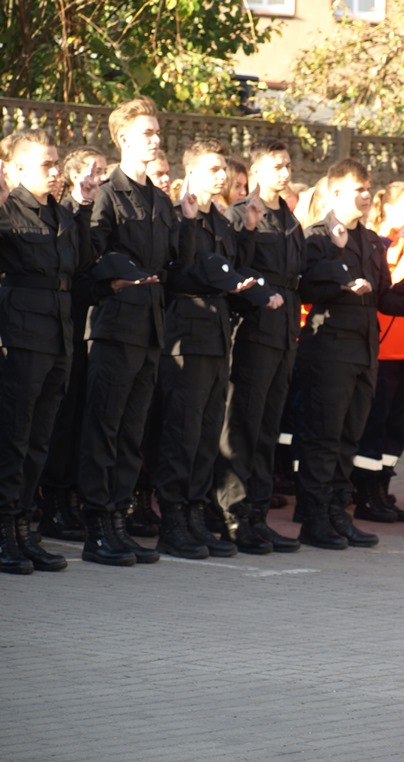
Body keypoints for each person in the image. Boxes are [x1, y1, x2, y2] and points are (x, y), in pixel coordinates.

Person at [294, 159, 404, 549]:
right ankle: (314, 518)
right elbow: (304, 287)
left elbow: (384, 297)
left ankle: (336, 514)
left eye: (367, 188)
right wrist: (339, 275)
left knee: (349, 438)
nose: (365, 195)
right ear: (335, 193)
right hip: (328, 350)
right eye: (357, 189)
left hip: (363, 351)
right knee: (323, 437)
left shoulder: (372, 241)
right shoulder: (316, 237)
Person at [79, 96, 194, 567]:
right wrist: (113, 278)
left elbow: (173, 264)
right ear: (123, 138)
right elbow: (90, 257)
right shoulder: (109, 193)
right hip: (115, 325)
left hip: (150, 328)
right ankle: (96, 527)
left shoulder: (159, 199)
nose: (156, 139)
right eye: (147, 133)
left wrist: (190, 222)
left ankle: (118, 521)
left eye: (157, 132)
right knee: (104, 428)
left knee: (131, 431)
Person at [153, 139, 267, 559]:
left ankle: (196, 515)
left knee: (205, 435)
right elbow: (176, 271)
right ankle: (173, 520)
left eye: (223, 169)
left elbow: (233, 270)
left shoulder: (220, 221)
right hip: (187, 335)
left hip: (218, 336)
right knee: (182, 432)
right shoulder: (177, 215)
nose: (221, 176)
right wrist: (186, 223)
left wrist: (248, 229)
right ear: (191, 173)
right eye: (213, 169)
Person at [0, 130, 95, 574]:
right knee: (13, 437)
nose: (56, 171)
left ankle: (24, 529)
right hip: (21, 334)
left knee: (40, 440)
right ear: (16, 169)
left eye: (58, 163)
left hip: (58, 334)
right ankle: (5, 530)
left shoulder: (62, 213)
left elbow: (81, 266)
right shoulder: (7, 209)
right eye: (46, 164)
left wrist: (84, 207)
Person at [213, 138, 298, 555]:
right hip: (253, 330)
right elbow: (233, 267)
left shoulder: (289, 218)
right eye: (277, 165)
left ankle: (257, 516)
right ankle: (232, 515)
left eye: (288, 165)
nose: (285, 172)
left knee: (267, 429)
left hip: (284, 332)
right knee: (242, 426)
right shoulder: (243, 212)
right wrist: (247, 228)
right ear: (259, 170)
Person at [37, 145, 106, 542]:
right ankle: (50, 502)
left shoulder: (72, 213)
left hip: (74, 326)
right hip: (50, 323)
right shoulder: (59, 211)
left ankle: (64, 498)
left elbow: (85, 261)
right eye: (91, 171)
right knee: (54, 421)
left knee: (71, 416)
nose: (96, 179)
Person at [351, 181, 404, 523]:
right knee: (374, 427)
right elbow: (392, 290)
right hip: (383, 352)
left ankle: (381, 487)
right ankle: (364, 493)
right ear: (387, 208)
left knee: (395, 430)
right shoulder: (379, 243)